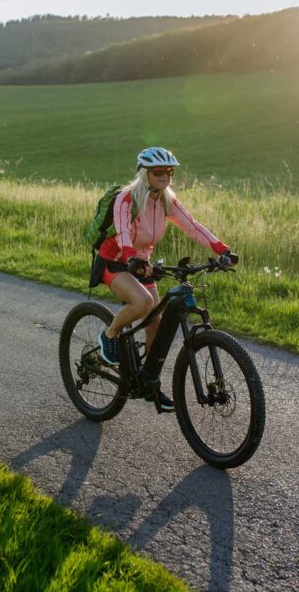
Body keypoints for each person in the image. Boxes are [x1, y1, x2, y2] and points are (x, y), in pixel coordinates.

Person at [96, 146, 238, 412]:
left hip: (142, 265)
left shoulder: (166, 200)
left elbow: (192, 226)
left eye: (169, 171)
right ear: (145, 174)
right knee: (142, 303)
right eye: (159, 171)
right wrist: (132, 258)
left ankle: (150, 385)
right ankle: (110, 334)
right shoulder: (126, 199)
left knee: (156, 324)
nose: (165, 176)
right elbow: (123, 234)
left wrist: (222, 249)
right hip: (115, 261)